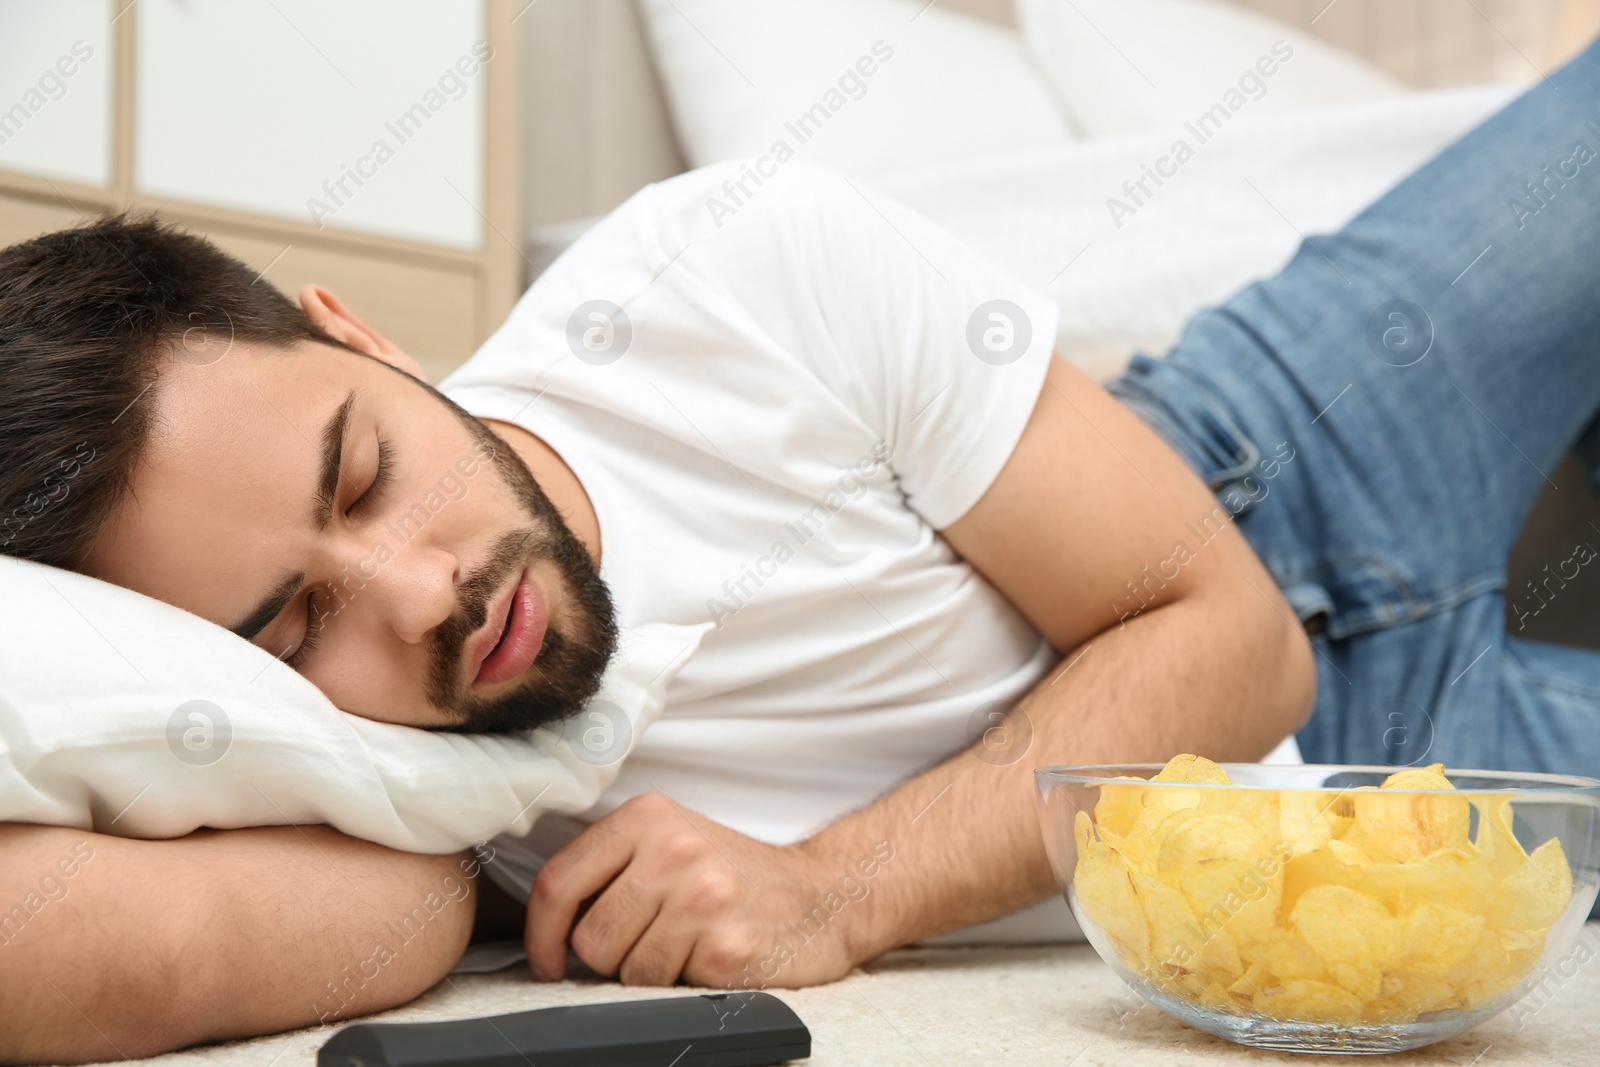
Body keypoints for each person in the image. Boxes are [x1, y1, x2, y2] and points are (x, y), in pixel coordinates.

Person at [2, 33, 1598, 1064]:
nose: (427, 594)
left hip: (1274, 455)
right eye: (292, 632)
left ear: (367, 339)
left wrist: (839, 889)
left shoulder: (731, 266)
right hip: (1367, 809)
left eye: (364, 474)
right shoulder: (364, 815)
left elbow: (1235, 637)